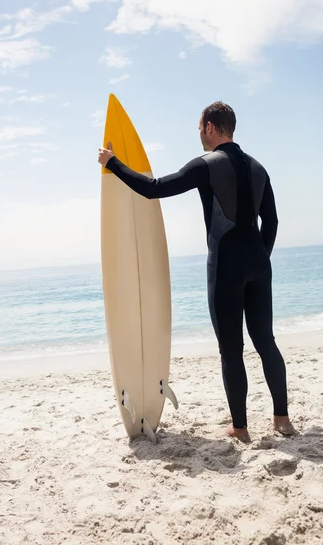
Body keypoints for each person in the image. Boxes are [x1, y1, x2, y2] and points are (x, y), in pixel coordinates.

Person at [98, 101, 295, 443]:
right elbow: (272, 221)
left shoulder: (207, 165)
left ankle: (241, 428)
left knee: (231, 349)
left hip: (226, 267)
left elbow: (154, 188)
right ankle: (282, 419)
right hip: (260, 267)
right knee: (266, 342)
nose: (198, 133)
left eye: (199, 127)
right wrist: (260, 258)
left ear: (210, 127)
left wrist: (112, 163)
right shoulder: (258, 167)